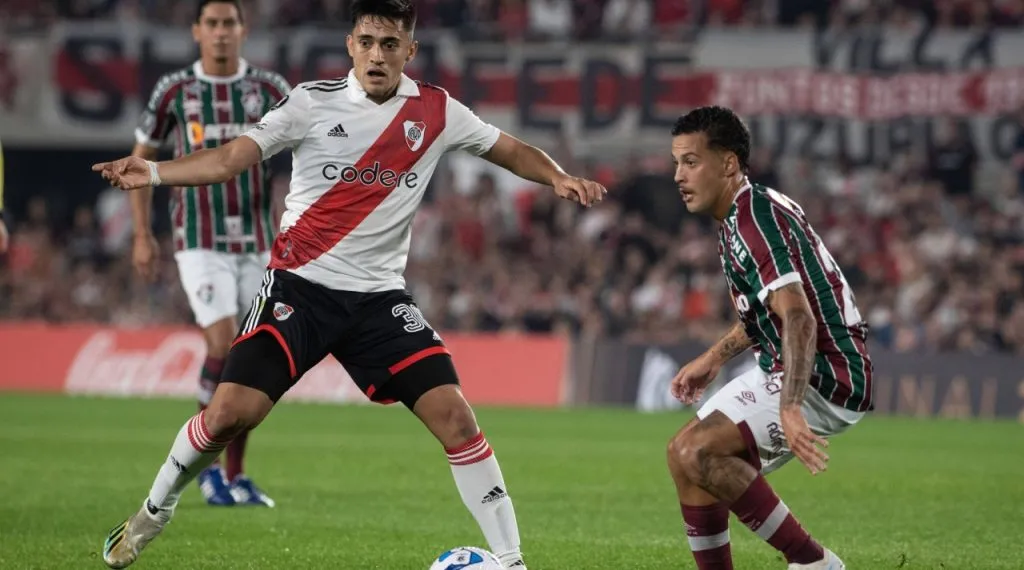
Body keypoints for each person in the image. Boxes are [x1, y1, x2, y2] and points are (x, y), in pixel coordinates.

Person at [95, 1, 606, 568]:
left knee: (458, 419)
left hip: (380, 301)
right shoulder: (311, 103)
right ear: (350, 45)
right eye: (367, 41)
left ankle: (512, 561)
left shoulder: (436, 110)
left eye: (390, 44)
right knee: (228, 415)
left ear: (409, 51)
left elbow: (508, 148)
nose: (377, 55)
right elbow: (232, 159)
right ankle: (153, 512)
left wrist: (557, 176)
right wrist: (158, 171)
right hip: (298, 289)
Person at [665, 106, 872, 570]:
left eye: (691, 162)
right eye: (676, 162)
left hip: (825, 373)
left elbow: (799, 319)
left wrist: (791, 406)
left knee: (698, 450)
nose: (678, 175)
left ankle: (815, 564)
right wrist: (713, 357)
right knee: (684, 457)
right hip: (792, 364)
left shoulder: (754, 218)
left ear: (729, 163)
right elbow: (771, 313)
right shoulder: (744, 211)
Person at [130, 0, 290, 508]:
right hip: (199, 239)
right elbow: (142, 159)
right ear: (197, 30)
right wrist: (141, 233)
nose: (221, 33)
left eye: (230, 24)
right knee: (221, 345)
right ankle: (206, 471)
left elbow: (312, 149)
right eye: (213, 24)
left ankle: (236, 475)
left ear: (244, 30)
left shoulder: (270, 90)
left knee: (251, 358)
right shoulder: (174, 91)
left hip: (259, 242)